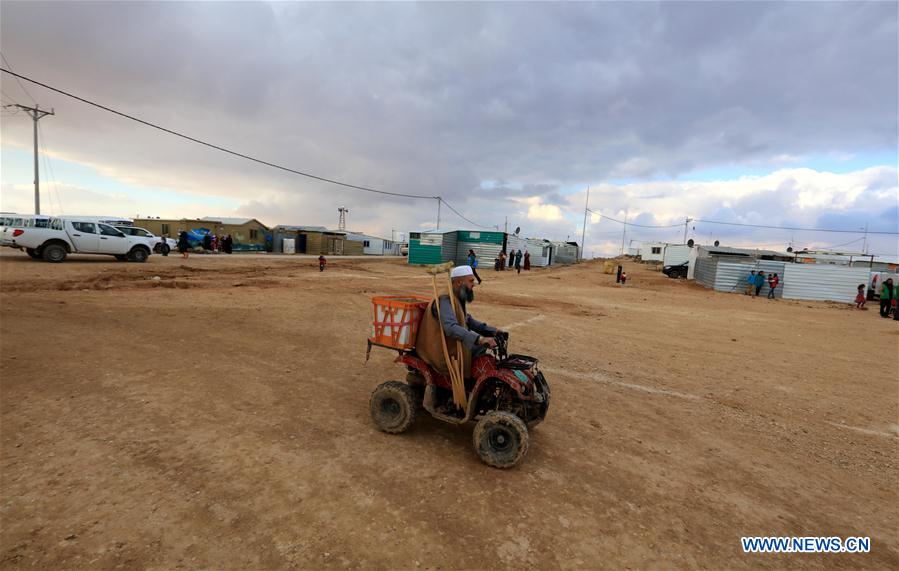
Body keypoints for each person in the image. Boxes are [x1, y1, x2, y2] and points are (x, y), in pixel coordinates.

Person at [414, 265, 503, 380]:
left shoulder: (456, 295)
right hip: (441, 349)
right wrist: (480, 339)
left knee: (480, 346)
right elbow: (450, 328)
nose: (473, 284)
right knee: (478, 346)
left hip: (451, 341)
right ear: (459, 282)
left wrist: (493, 331)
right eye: (471, 281)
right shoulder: (445, 299)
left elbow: (467, 319)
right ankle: (468, 382)